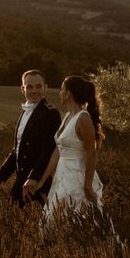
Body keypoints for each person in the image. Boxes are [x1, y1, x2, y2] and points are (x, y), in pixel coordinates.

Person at [32, 75, 107, 224]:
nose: (59, 93)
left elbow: (91, 154)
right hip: (62, 176)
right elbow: (59, 151)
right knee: (56, 217)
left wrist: (87, 186)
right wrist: (43, 179)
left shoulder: (83, 118)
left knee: (77, 217)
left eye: (61, 90)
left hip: (77, 177)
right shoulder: (67, 116)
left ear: (68, 94)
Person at [0, 69, 61, 207]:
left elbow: (48, 150)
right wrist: (0, 176)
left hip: (38, 185)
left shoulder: (50, 113)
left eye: (38, 86)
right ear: (23, 89)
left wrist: (34, 178)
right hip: (20, 181)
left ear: (46, 87)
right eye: (29, 87)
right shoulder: (24, 113)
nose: (34, 91)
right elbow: (17, 150)